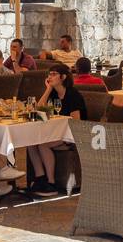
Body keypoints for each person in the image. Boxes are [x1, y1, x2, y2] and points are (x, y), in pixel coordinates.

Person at [26, 64, 86, 195]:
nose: (50, 77)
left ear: (63, 77)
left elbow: (76, 121)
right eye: (49, 74)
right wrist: (48, 89)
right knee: (30, 143)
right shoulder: (53, 93)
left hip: (73, 134)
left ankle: (51, 183)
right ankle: (40, 178)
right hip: (56, 132)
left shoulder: (73, 94)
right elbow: (39, 108)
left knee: (43, 144)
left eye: (53, 74)